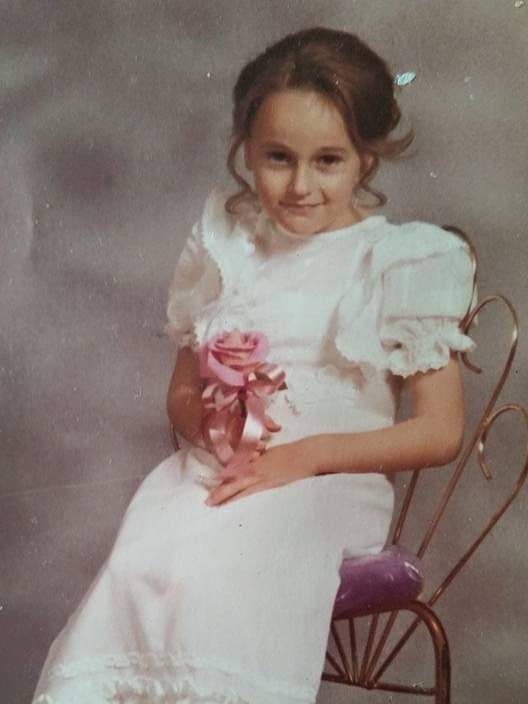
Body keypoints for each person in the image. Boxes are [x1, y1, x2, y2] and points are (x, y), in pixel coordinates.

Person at [33, 27, 476, 704]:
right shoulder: (228, 245)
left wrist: (305, 457)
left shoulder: (400, 260)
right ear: (245, 149)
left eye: (328, 160)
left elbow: (440, 432)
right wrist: (211, 421)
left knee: (226, 575)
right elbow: (181, 392)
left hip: (326, 486)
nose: (300, 185)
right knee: (145, 570)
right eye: (277, 157)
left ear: (368, 156)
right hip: (222, 472)